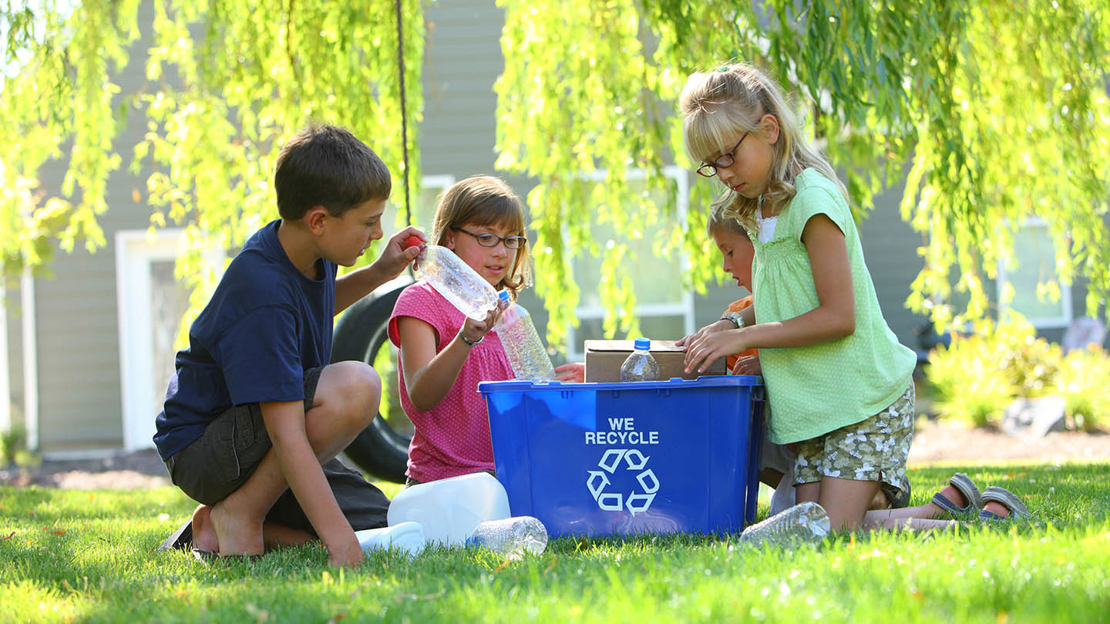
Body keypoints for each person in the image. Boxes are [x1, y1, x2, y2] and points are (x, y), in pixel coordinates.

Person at [678, 62, 1028, 531]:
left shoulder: (813, 201)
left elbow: (839, 316)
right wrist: (733, 324)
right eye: (710, 164)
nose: (722, 172)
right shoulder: (762, 209)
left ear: (769, 129)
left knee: (829, 532)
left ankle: (983, 526)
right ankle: (943, 512)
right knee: (804, 526)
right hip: (815, 407)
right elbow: (789, 297)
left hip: (862, 400)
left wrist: (744, 339)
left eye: (728, 155)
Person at [154, 124, 424, 567]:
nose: (377, 233)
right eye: (368, 222)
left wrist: (379, 273)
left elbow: (310, 307)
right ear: (319, 220)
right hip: (206, 448)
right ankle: (241, 513)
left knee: (377, 519)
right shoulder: (261, 287)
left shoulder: (303, 250)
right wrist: (341, 546)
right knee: (356, 386)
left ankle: (213, 524)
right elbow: (285, 431)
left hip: (254, 440)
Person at [388, 175, 584, 486]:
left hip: (511, 476)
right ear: (450, 238)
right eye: (486, 238)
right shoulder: (422, 301)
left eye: (511, 240)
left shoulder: (512, 315)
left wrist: (570, 388)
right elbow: (421, 395)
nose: (501, 253)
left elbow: (534, 409)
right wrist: (466, 339)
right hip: (444, 482)